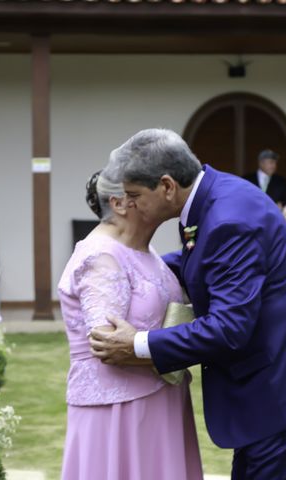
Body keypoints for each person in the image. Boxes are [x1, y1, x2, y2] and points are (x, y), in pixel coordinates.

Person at [89, 128, 286, 479]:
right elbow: (203, 260)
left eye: (135, 195)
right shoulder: (211, 194)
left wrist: (138, 345)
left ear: (166, 186)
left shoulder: (229, 219)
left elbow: (229, 328)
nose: (130, 204)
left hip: (284, 390)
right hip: (269, 387)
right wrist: (132, 269)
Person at [58, 168, 202, 480]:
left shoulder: (144, 250)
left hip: (159, 401)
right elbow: (107, 344)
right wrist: (175, 353)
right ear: (120, 203)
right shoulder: (100, 257)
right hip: (121, 411)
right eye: (142, 192)